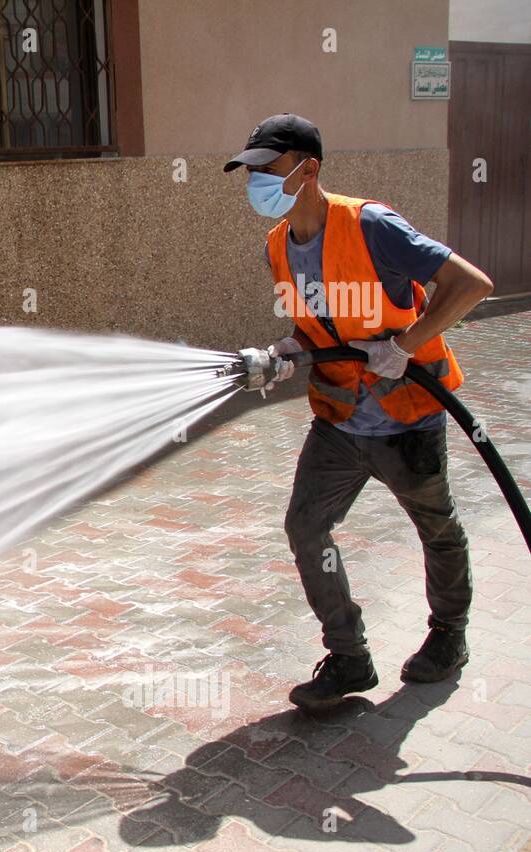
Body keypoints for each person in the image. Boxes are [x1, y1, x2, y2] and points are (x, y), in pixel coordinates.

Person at [224, 114, 494, 713]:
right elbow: (313, 324)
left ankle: (449, 635)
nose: (256, 184)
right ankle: (349, 655)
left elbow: (471, 284)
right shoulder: (278, 245)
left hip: (409, 415)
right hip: (340, 420)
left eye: (267, 170)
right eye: (251, 173)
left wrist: (404, 344)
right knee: (305, 527)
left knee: (435, 526)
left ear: (307, 168)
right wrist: (285, 352)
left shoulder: (371, 225)